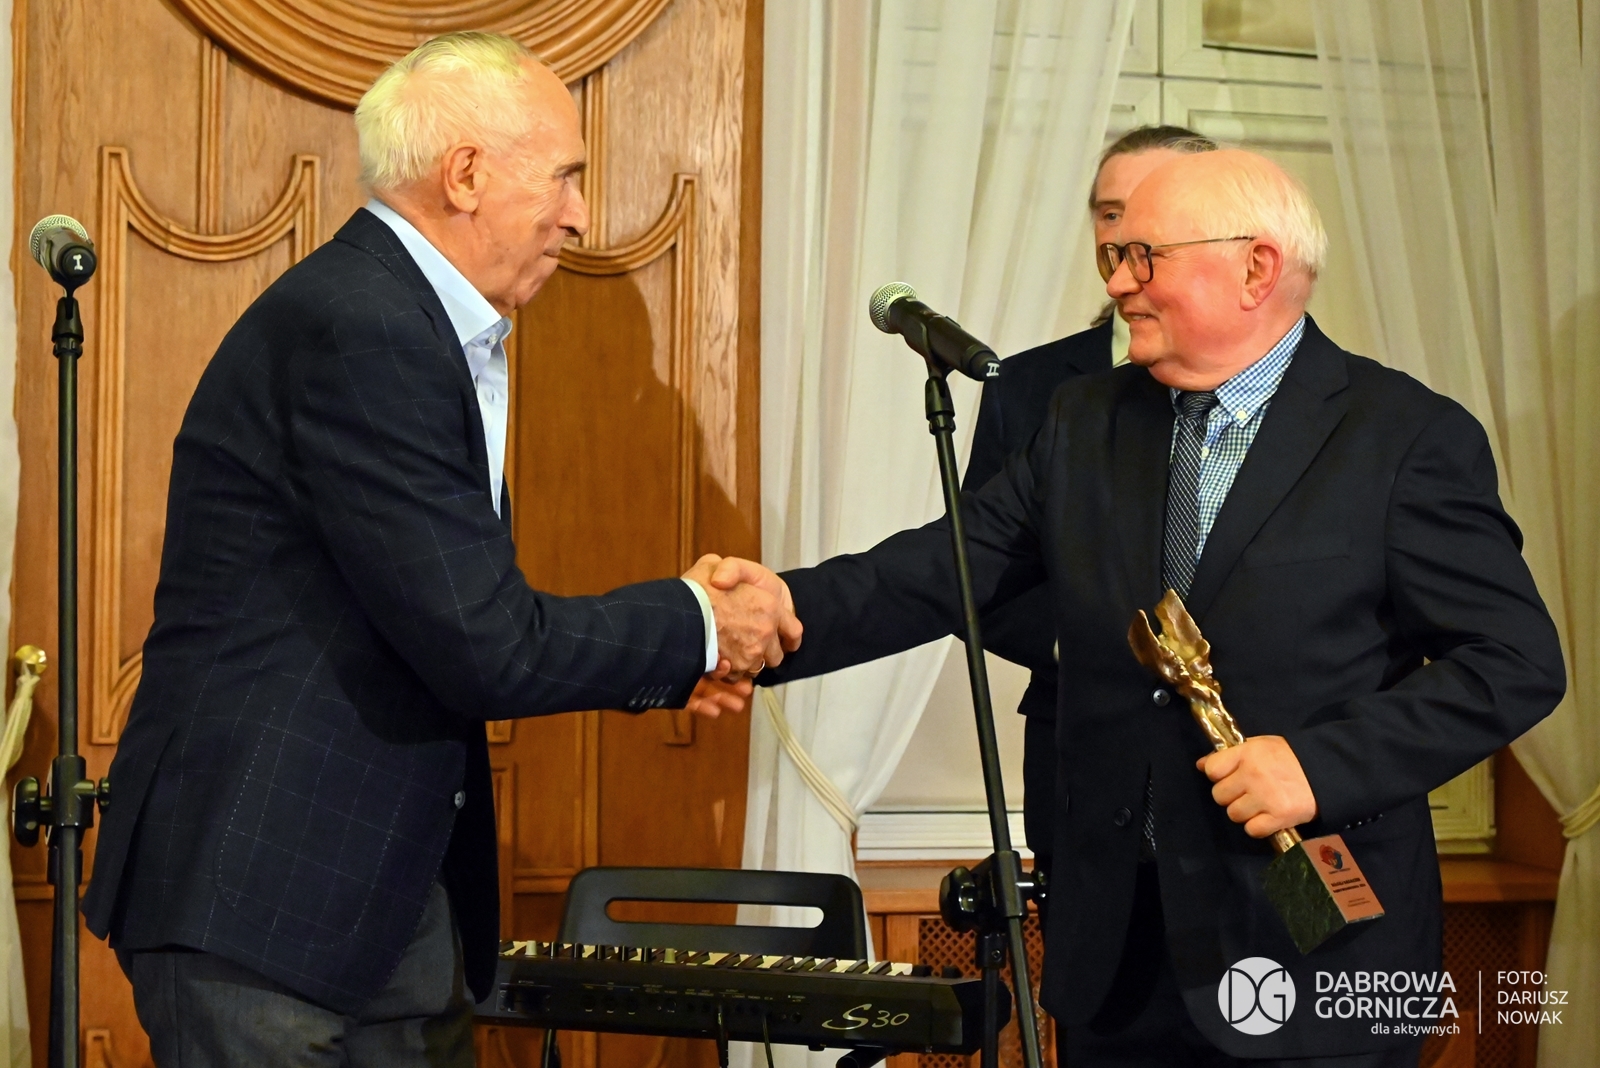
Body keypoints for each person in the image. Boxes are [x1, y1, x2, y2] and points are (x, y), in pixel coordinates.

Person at [728, 149, 1565, 1065]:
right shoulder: (1085, 419)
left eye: (1143, 257)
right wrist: (766, 614)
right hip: (1116, 959)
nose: (1119, 283)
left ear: (1256, 268)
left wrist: (1320, 766)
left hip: (1313, 951)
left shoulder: (1404, 436)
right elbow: (938, 570)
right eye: (1112, 256)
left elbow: (1515, 662)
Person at [82, 32, 797, 1068]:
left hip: (382, 900)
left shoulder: (399, 317)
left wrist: (683, 646)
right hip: (265, 900)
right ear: (465, 174)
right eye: (564, 176)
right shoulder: (362, 325)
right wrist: (695, 625)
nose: (580, 214)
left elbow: (436, 620)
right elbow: (483, 641)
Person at [965, 125, 1215, 927]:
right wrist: (1092, 644)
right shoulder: (1028, 387)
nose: (1121, 234)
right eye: (1109, 214)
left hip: (1245, 778)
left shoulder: (1293, 394)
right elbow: (979, 574)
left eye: (1147, 211)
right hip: (1082, 768)